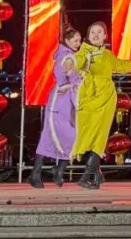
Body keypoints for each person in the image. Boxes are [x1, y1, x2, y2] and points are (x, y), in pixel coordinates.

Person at [72, 21, 131, 189]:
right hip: (88, 98)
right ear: (88, 36)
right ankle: (97, 174)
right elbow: (76, 63)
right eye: (93, 32)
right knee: (86, 137)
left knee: (99, 138)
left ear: (105, 36)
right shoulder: (84, 52)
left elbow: (120, 66)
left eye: (99, 32)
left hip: (105, 98)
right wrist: (74, 62)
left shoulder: (107, 55)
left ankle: (87, 176)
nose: (96, 35)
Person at [30, 26, 83, 188]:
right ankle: (37, 173)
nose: (78, 43)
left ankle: (57, 171)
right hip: (59, 101)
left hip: (68, 100)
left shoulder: (70, 55)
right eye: (76, 40)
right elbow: (70, 76)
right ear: (67, 41)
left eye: (79, 41)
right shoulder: (66, 56)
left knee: (72, 136)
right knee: (51, 136)